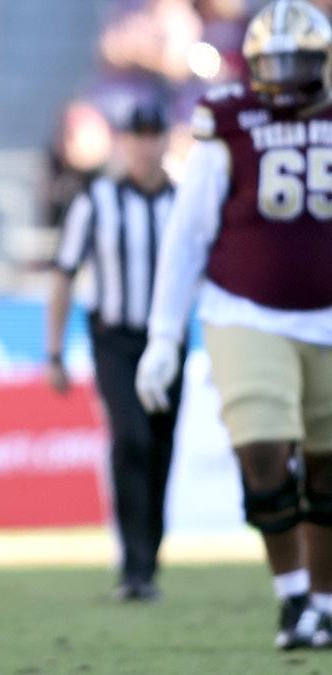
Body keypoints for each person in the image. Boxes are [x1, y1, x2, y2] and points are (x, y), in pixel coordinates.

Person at [135, 0, 332, 650]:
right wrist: (165, 335)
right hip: (245, 309)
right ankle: (292, 596)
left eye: (295, 63)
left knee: (328, 468)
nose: (281, 77)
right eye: (270, 64)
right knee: (262, 450)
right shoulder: (231, 118)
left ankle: (322, 605)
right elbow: (190, 231)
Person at [44, 96, 181, 603]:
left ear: (166, 140)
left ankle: (149, 559)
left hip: (167, 339)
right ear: (122, 142)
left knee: (162, 447)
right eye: (137, 136)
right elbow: (62, 275)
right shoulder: (95, 202)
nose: (146, 146)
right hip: (116, 340)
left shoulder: (182, 203)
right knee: (132, 440)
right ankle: (134, 565)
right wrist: (54, 351)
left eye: (154, 135)